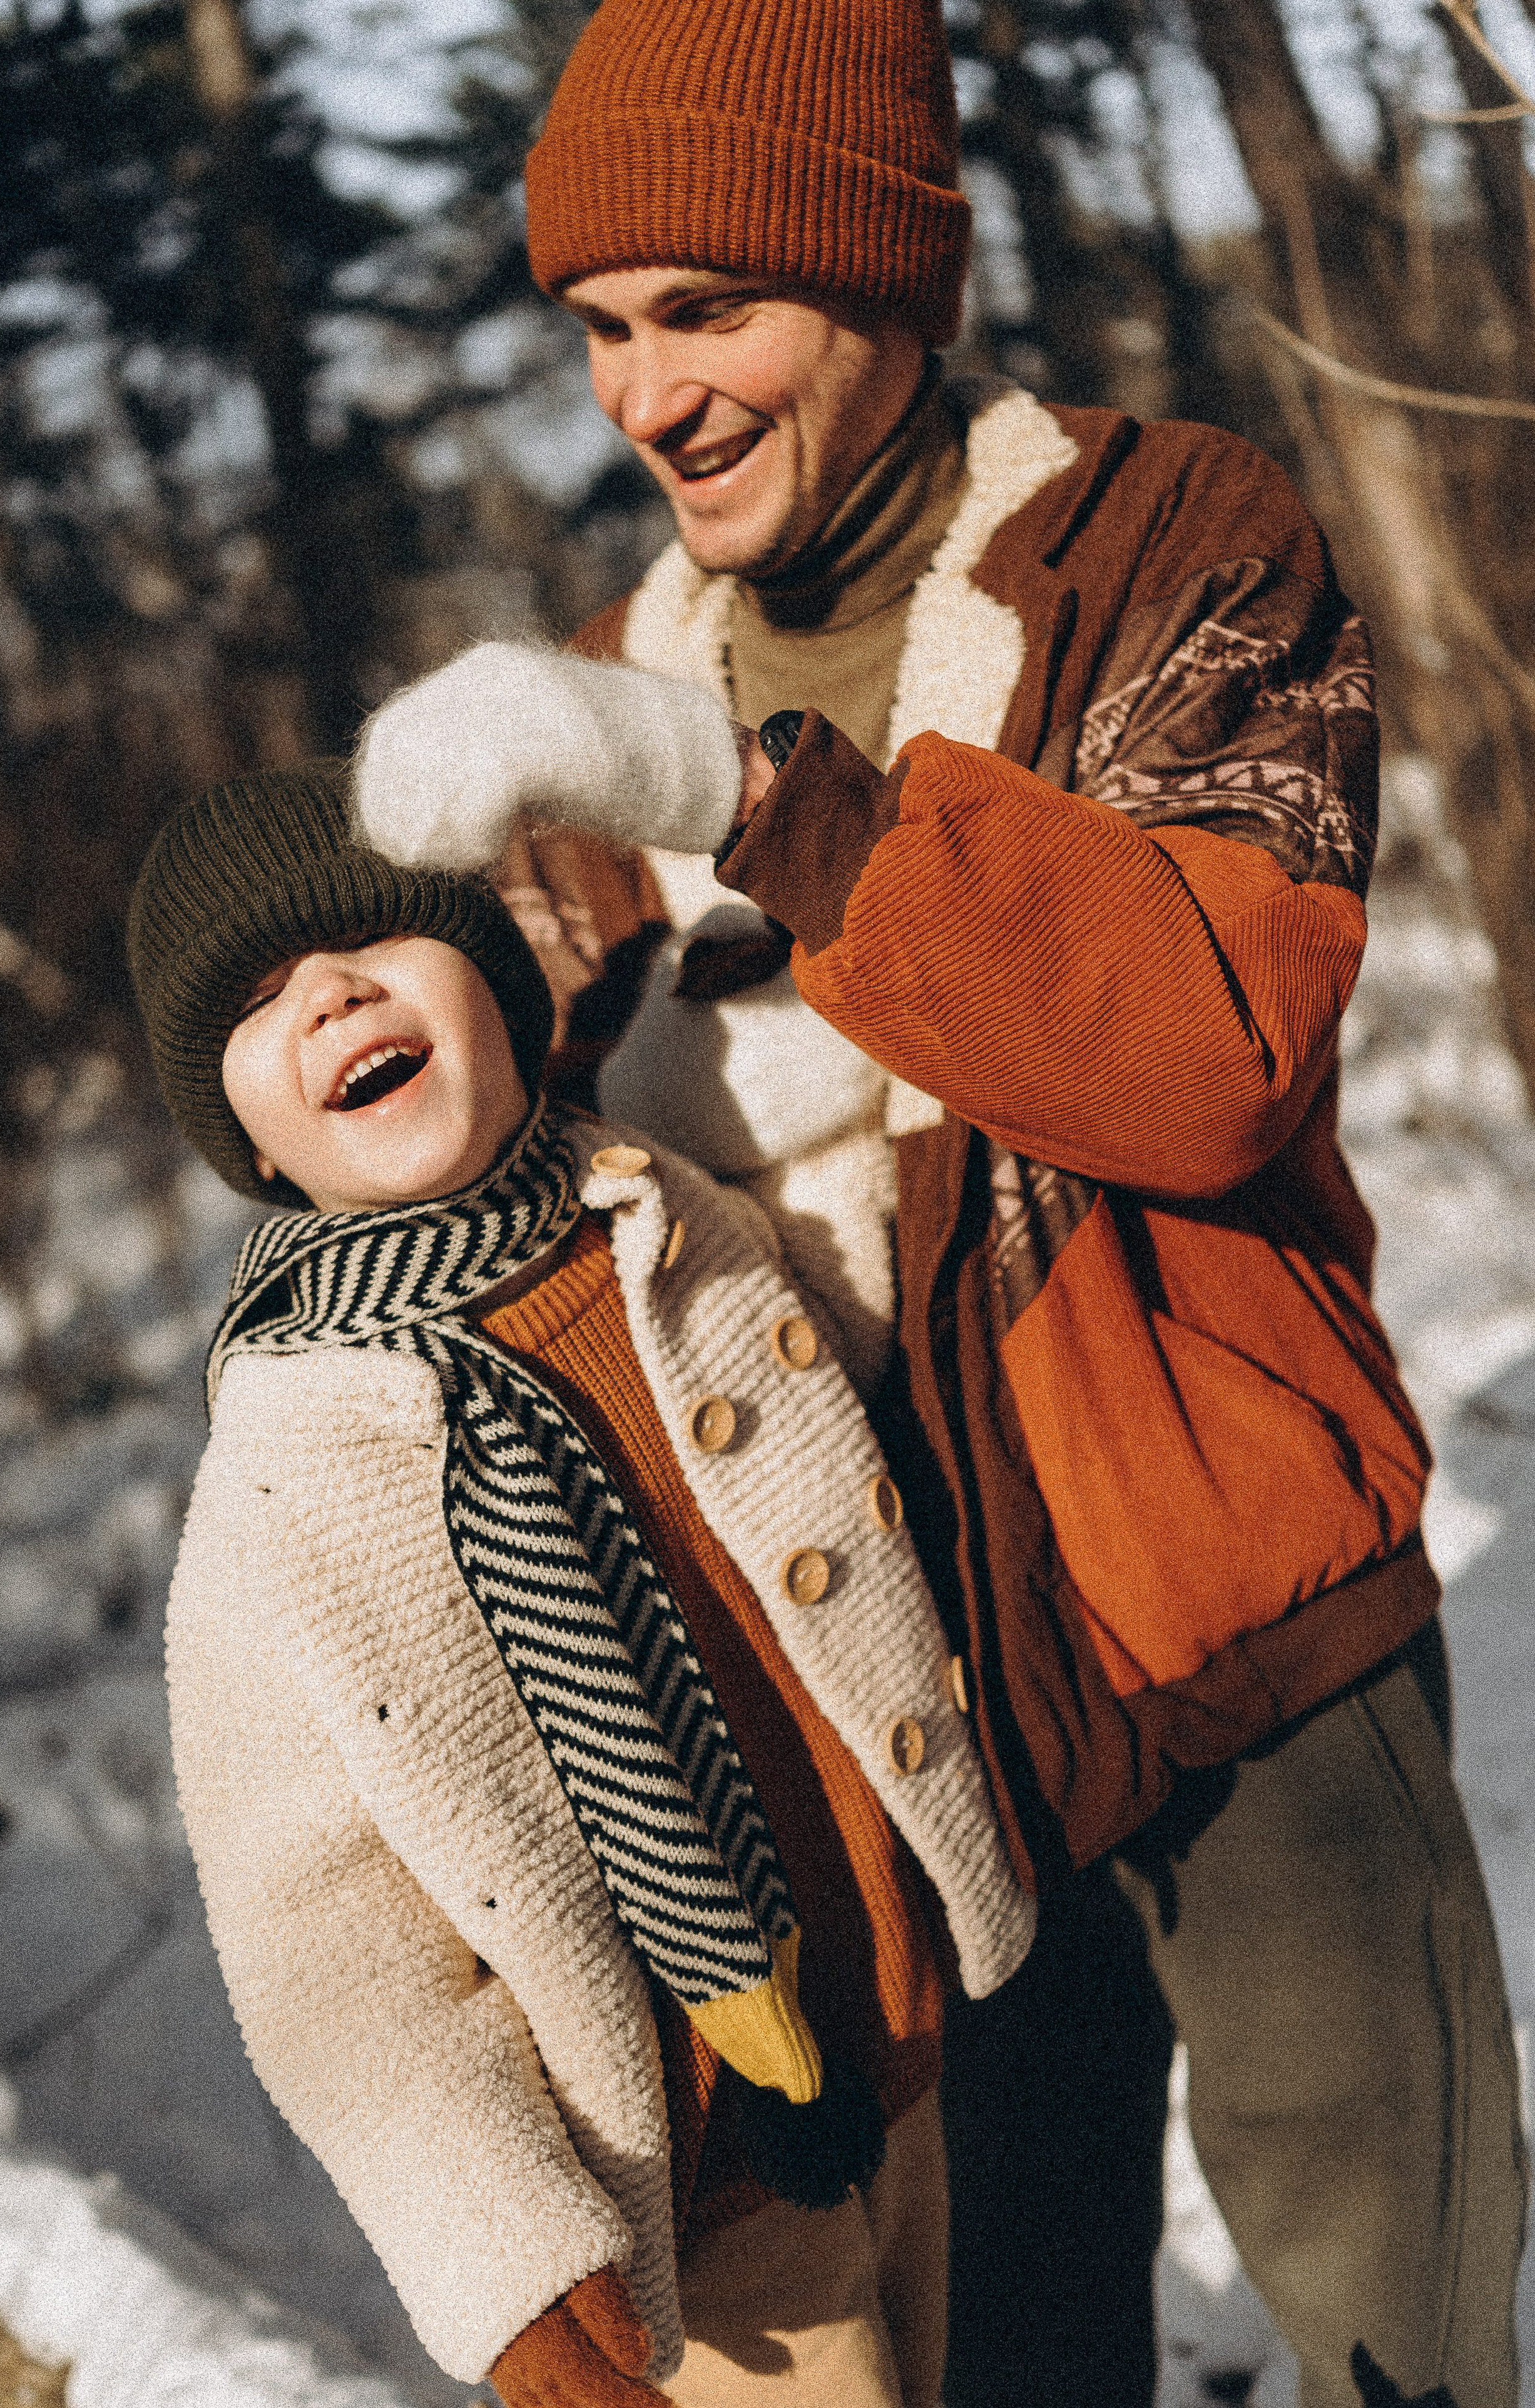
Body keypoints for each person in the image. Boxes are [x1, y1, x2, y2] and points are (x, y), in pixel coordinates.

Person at [347, 1, 1531, 2400]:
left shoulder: (1173, 547)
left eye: (709, 311)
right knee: (1011, 2349)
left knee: (1398, 2341)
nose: (641, 397)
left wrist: (735, 784)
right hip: (881, 1729)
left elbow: (1208, 1051)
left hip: (1232, 1628)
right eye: (597, 330)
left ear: (889, 274)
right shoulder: (595, 685)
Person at [128, 760, 1033, 2408]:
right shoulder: (293, 1476)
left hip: (898, 2042)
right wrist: (523, 2287)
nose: (333, 993)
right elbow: (330, 1955)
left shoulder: (666, 1219)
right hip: (698, 2196)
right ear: (247, 1140)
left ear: (495, 983)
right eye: (258, 1003)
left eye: (379, 939)